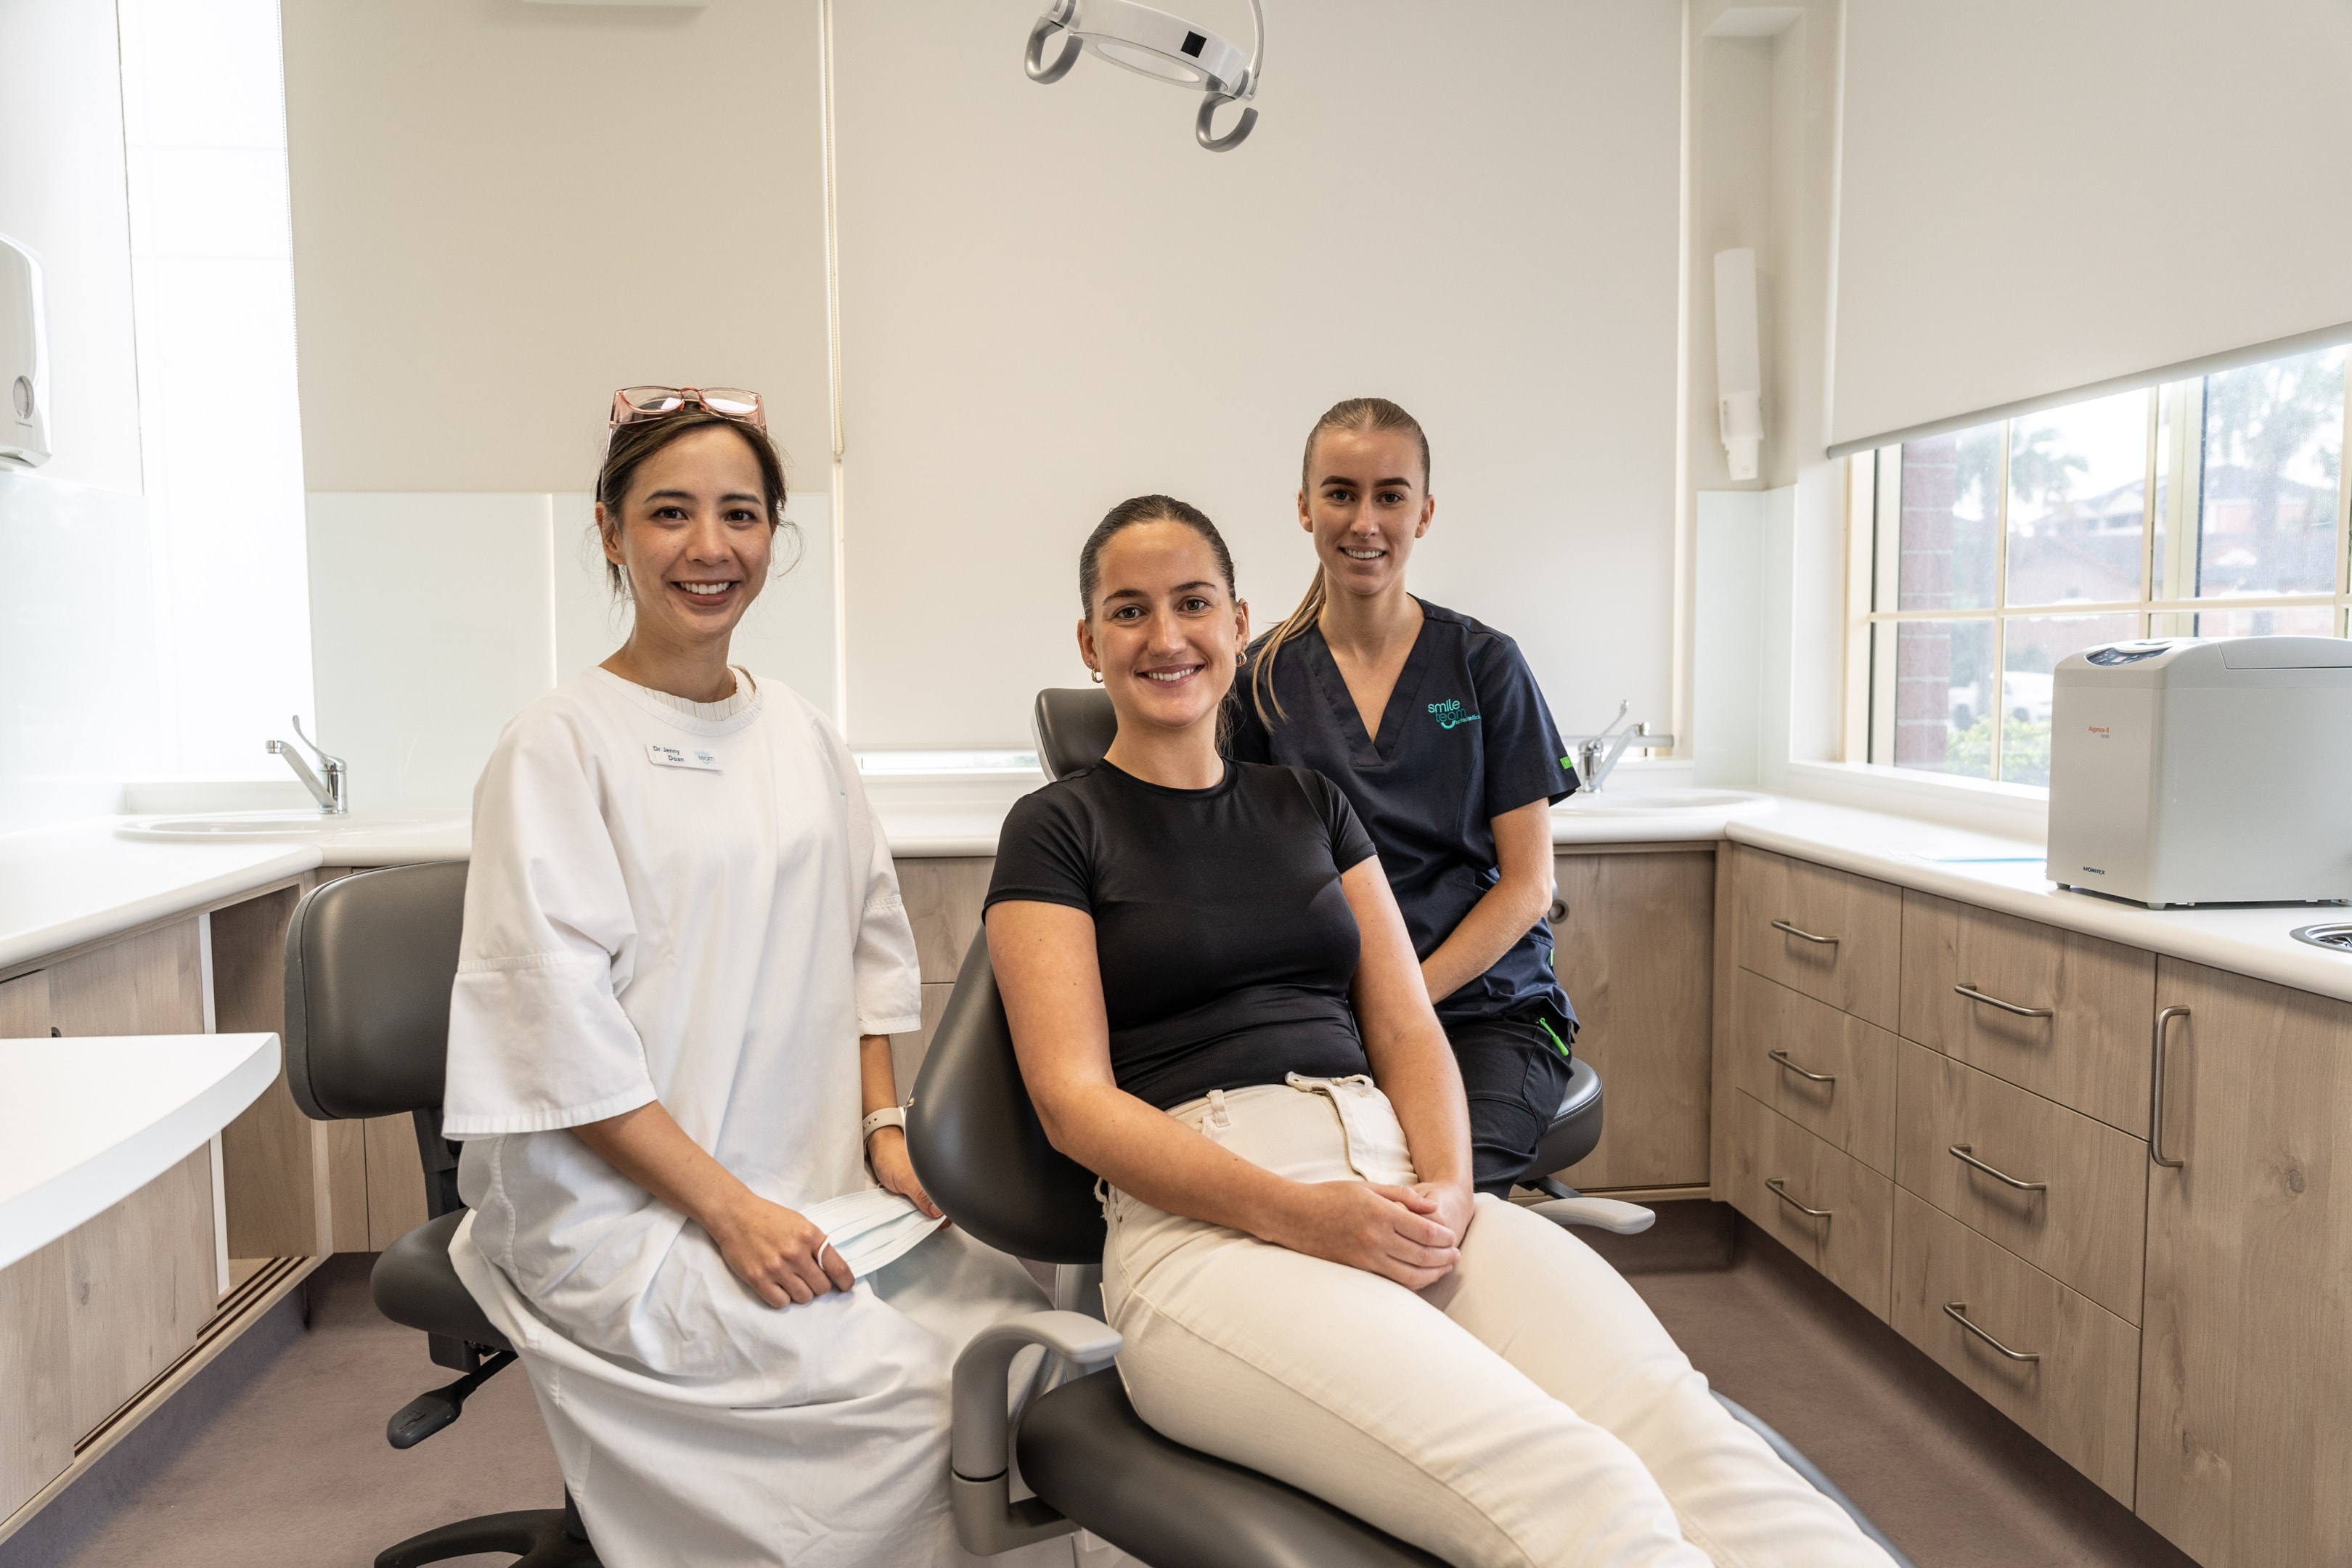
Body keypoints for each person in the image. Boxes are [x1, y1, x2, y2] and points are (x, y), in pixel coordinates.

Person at [984, 495, 1896, 1568]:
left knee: (1686, 1434)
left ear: (1239, 622)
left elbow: (1406, 1024)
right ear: (1092, 645)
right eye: (1129, 613)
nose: (1166, 636)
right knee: (1578, 1487)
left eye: (1192, 604)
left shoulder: (1310, 804)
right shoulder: (1057, 827)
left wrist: (1454, 1189)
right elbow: (1072, 1101)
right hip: (1211, 1229)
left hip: (1397, 1178)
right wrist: (1301, 1216)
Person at [441, 387, 1055, 1568]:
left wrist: (883, 1126)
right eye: (670, 513)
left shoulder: (807, 737)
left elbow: (869, 945)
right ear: (612, 532)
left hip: (816, 1178)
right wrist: (726, 1211)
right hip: (620, 1206)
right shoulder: (557, 747)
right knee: (893, 1396)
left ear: (777, 534)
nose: (709, 548)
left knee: (1014, 1343)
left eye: (741, 514)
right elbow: (554, 1035)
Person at [1228, 396, 1579, 1198]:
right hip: (1330, 1019)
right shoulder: (1262, 681)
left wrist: (1404, 1000)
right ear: (1304, 506)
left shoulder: (1485, 665)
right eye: (1341, 492)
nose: (1365, 520)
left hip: (1485, 1009)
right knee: (1324, 1192)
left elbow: (1529, 886)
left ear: (1424, 513)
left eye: (1390, 495)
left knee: (1441, 1193)